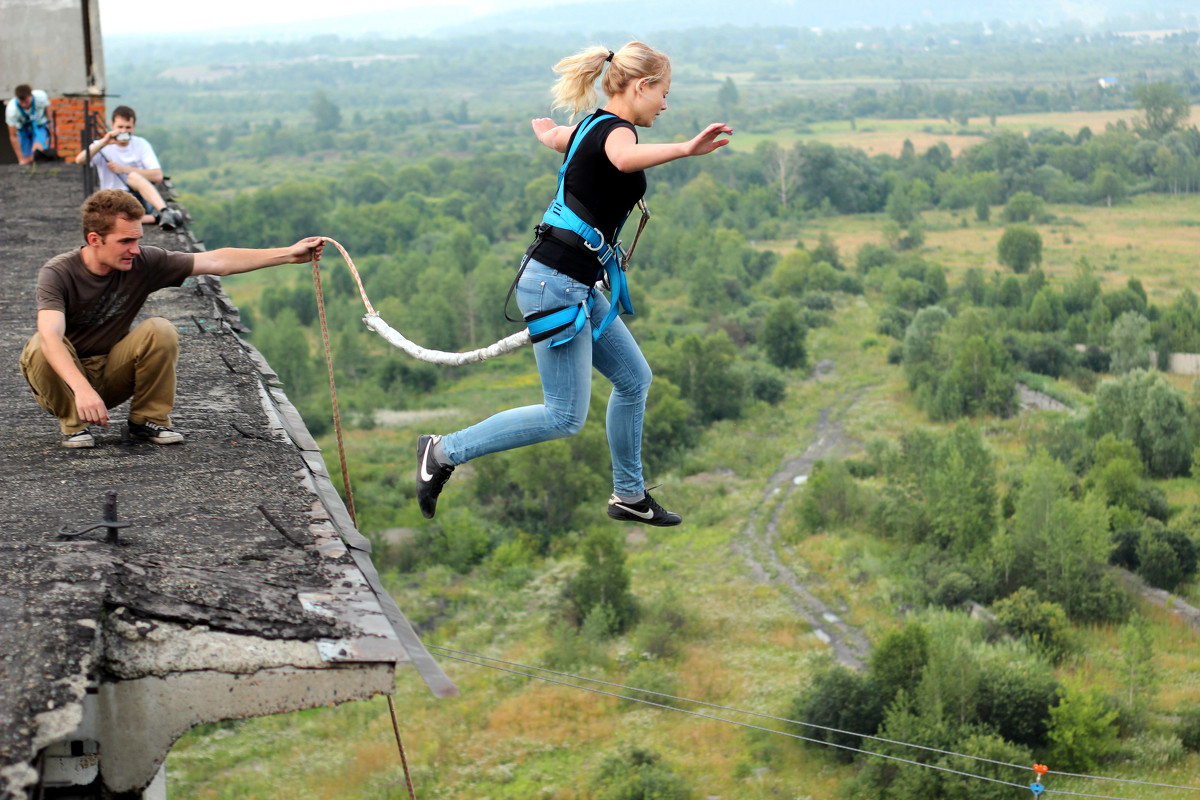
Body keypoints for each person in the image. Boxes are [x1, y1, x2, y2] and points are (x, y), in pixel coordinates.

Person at [416, 41, 731, 526]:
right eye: (664, 93)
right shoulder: (617, 134)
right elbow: (624, 160)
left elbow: (567, 139)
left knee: (634, 380)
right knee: (563, 415)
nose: (666, 104)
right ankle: (442, 451)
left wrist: (548, 137)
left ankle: (629, 494)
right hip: (555, 285)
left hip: (574, 284)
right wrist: (688, 149)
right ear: (641, 86)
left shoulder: (591, 125)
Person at [20, 189, 324, 448]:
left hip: (112, 370)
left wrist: (288, 254)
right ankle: (75, 425)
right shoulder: (58, 273)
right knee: (39, 345)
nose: (134, 250)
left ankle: (147, 420)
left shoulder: (143, 262)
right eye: (125, 241)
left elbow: (216, 260)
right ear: (95, 239)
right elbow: (50, 335)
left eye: (137, 240)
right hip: (65, 384)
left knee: (160, 329)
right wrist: (82, 390)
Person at [74, 105, 183, 230]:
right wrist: (104, 142)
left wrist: (124, 169)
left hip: (137, 198)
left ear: (134, 127)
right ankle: (158, 218)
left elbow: (158, 176)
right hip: (113, 199)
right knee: (107, 219)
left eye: (128, 128)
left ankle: (164, 210)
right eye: (120, 127)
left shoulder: (141, 144)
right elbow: (80, 160)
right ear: (112, 125)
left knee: (133, 177)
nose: (124, 131)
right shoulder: (101, 146)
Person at [6, 84, 51, 165]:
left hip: (39, 126)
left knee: (38, 152)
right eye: (21, 102)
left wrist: (51, 125)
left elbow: (47, 108)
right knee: (27, 160)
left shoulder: (41, 96)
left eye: (26, 102)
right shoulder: (11, 109)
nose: (24, 105)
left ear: (31, 96)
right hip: (23, 131)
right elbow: (13, 135)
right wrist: (20, 158)